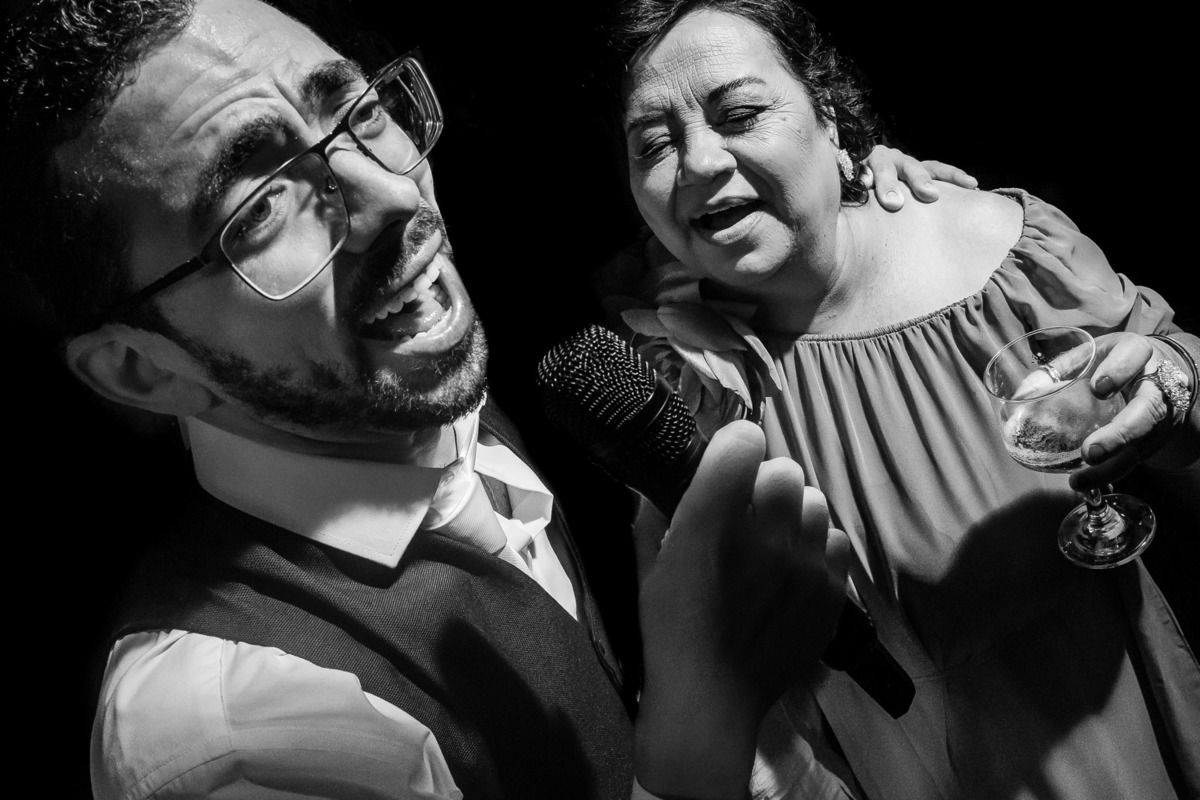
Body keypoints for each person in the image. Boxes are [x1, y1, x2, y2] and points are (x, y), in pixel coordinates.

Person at [0, 0, 969, 797]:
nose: (394, 198)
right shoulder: (232, 736)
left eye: (358, 113)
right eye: (260, 208)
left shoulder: (410, 394)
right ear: (141, 370)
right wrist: (696, 752)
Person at [599, 1, 1200, 798]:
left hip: (1098, 748)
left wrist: (1172, 380)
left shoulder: (998, 257)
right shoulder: (675, 371)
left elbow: (1180, 412)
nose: (698, 161)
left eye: (740, 113)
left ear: (827, 116)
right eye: (653, 144)